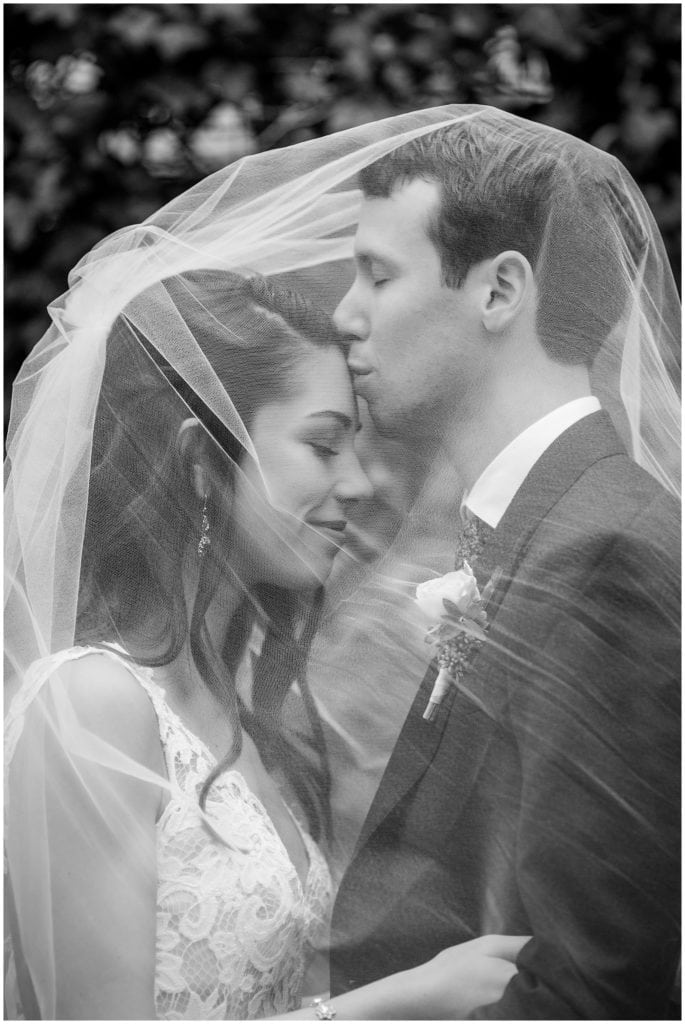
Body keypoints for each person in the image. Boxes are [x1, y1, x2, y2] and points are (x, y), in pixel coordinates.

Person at [4, 258, 527, 1019]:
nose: (357, 482)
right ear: (198, 462)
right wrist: (404, 1003)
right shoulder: (90, 705)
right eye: (322, 444)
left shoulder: (241, 710)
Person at [328, 110, 681, 1018]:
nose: (343, 314)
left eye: (376, 274)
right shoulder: (538, 524)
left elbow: (596, 988)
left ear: (499, 292)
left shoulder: (606, 554)